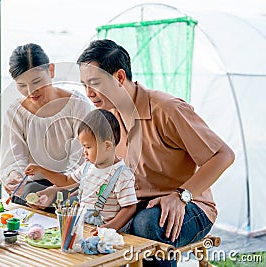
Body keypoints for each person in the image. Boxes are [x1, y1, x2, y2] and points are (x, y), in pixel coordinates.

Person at [75, 39, 235, 266]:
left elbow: (223, 155)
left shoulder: (167, 109)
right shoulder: (108, 119)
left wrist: (181, 196)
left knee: (146, 224)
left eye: (95, 83)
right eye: (84, 85)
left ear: (120, 77)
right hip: (136, 205)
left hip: (189, 205)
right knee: (84, 213)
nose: (89, 93)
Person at [0, 43, 92, 205]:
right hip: (34, 184)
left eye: (37, 81)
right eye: (22, 85)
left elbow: (81, 160)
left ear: (51, 71)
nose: (31, 91)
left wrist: (57, 188)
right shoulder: (15, 111)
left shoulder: (77, 104)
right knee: (29, 192)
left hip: (71, 182)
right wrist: (14, 177)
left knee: (69, 201)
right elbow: (13, 158)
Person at [25, 109, 137, 233]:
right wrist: (41, 170)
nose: (84, 152)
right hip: (84, 223)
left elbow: (129, 207)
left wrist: (108, 228)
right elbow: (66, 181)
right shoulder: (88, 166)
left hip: (107, 230)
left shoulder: (122, 174)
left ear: (108, 146)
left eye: (88, 147)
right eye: (83, 146)